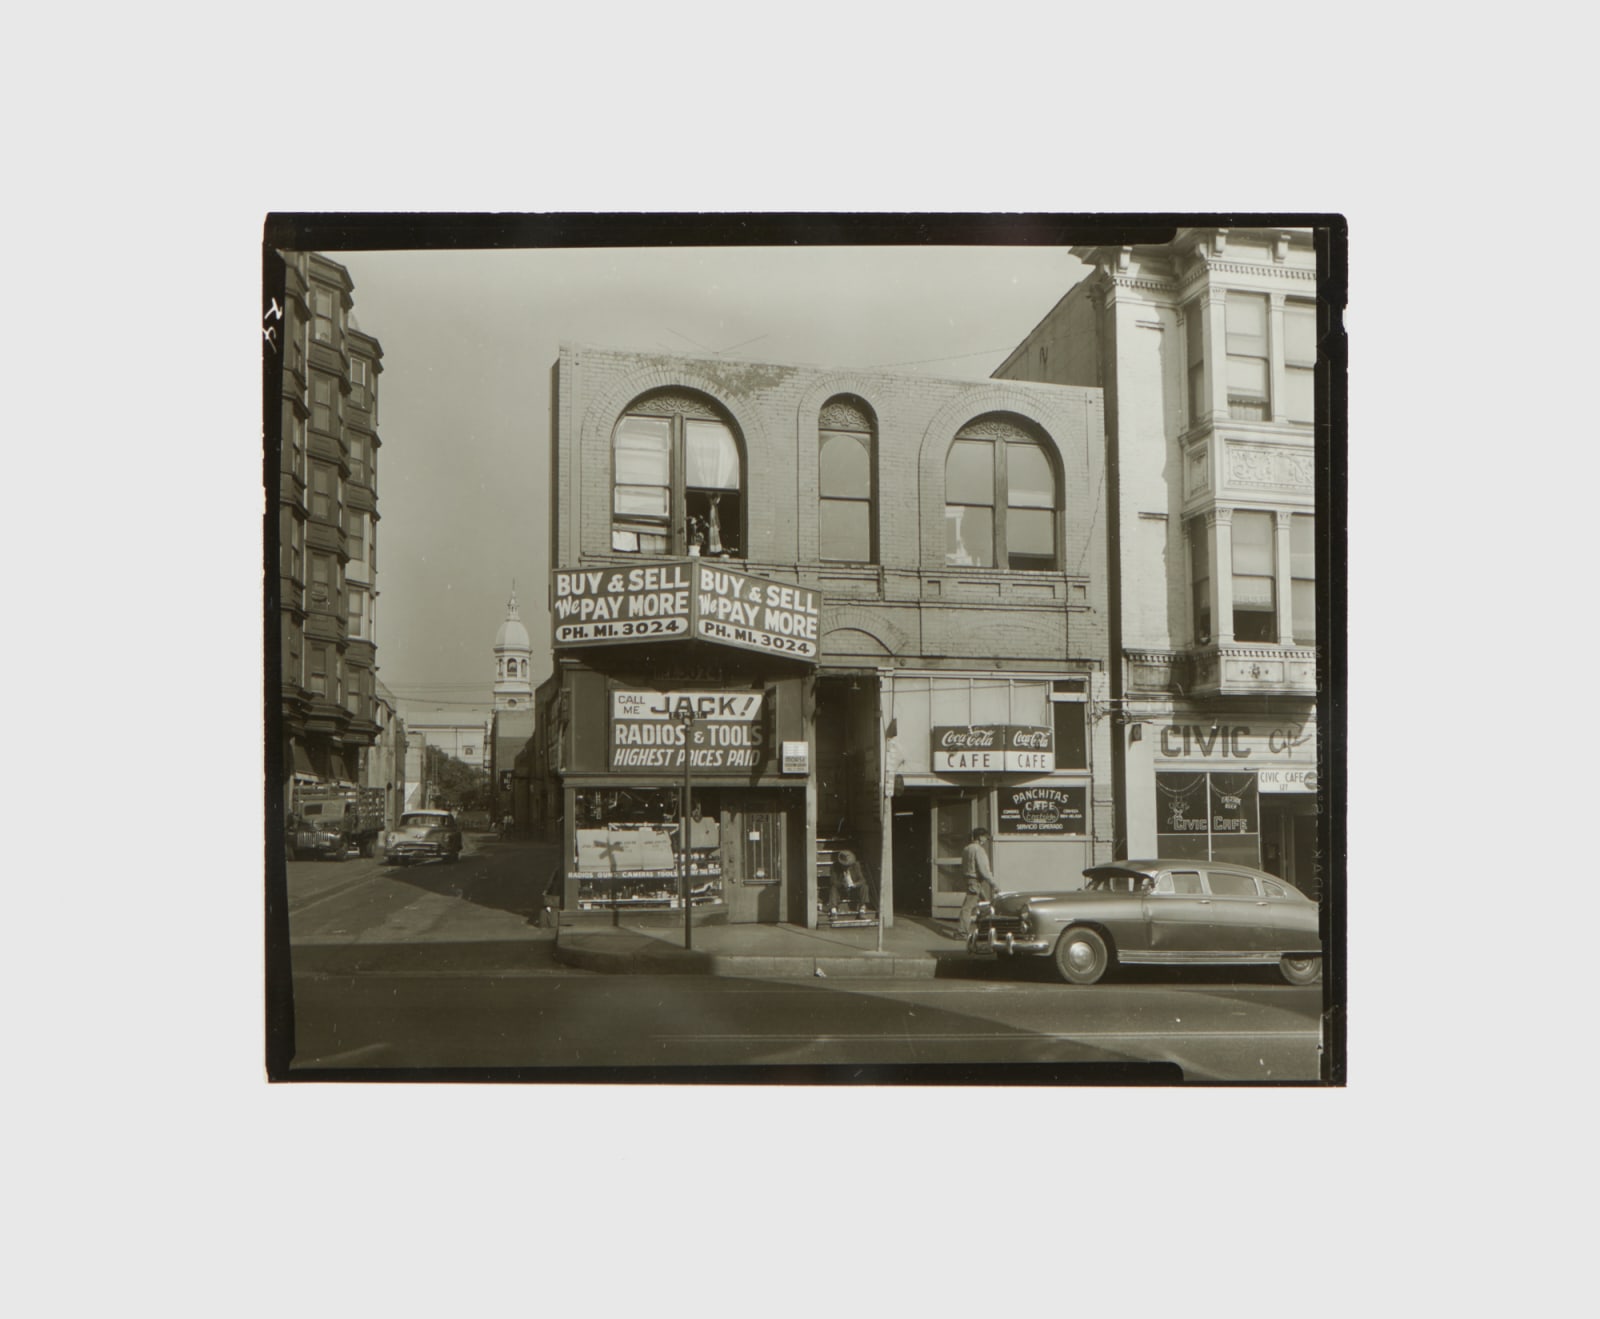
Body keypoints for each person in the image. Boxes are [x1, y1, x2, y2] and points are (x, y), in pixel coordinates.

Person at [957, 827, 995, 938]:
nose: (986, 840)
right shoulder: (978, 850)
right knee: (968, 907)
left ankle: (985, 928)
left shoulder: (966, 849)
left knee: (985, 904)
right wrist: (993, 884)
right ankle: (962, 932)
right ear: (980, 837)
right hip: (976, 881)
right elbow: (984, 870)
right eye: (985, 837)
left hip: (969, 880)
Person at [831, 848, 873, 914]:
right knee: (833, 888)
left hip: (854, 890)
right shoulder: (835, 867)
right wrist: (842, 884)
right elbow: (833, 881)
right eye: (844, 865)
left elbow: (862, 880)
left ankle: (862, 907)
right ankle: (833, 909)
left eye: (848, 865)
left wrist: (855, 884)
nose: (846, 867)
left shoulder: (856, 865)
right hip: (842, 889)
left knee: (865, 886)